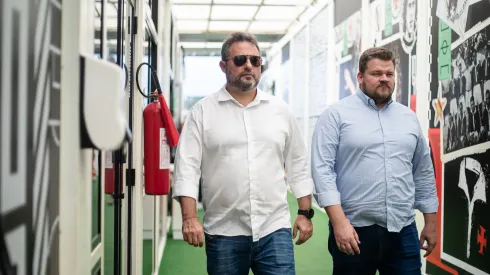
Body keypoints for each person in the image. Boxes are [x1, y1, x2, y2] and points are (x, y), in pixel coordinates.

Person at [172, 32, 315, 275]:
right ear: (223, 65)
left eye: (255, 60)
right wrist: (189, 218)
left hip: (274, 228)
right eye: (240, 60)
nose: (248, 65)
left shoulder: (280, 111)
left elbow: (298, 163)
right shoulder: (202, 112)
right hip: (224, 230)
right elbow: (187, 167)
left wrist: (304, 213)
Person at [311, 47, 439, 274]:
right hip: (354, 231)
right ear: (360, 77)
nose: (384, 79)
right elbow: (322, 171)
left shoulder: (408, 118)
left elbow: (423, 170)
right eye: (376, 73)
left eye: (389, 74)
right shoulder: (336, 115)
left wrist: (430, 222)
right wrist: (339, 223)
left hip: (403, 231)